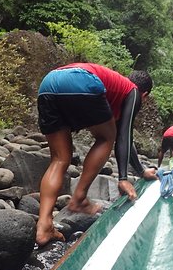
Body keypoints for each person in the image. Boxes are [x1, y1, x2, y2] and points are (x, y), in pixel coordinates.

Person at [35, 62, 158, 246]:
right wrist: (123, 178)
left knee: (60, 159)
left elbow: (126, 141)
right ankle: (80, 197)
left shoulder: (114, 89)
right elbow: (124, 134)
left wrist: (141, 172)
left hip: (48, 84)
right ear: (145, 95)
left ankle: (44, 226)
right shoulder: (133, 92)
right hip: (79, 80)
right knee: (107, 137)